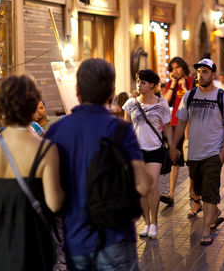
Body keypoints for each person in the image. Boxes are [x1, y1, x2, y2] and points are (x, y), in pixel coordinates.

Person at [46, 59, 152, 271]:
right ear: (112, 91)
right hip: (116, 236)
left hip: (76, 239)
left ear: (77, 90)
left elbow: (54, 202)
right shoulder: (120, 130)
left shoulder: (56, 132)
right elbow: (143, 185)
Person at [0, 75, 64, 270]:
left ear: (1, 108)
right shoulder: (46, 149)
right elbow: (54, 203)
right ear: (32, 107)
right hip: (34, 240)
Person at [170, 59, 224, 246]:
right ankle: (214, 212)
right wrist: (174, 146)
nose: (201, 75)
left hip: (213, 153)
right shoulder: (189, 96)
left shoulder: (222, 97)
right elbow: (181, 122)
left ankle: (206, 228)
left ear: (213, 74)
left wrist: (223, 151)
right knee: (197, 190)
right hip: (193, 153)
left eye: (206, 71)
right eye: (199, 71)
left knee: (210, 192)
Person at [123, 70, 172, 239]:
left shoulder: (162, 104)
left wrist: (172, 146)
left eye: (143, 82)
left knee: (152, 185)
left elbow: (169, 127)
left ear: (151, 85)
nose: (139, 85)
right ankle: (146, 223)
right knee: (142, 189)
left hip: (155, 149)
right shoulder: (130, 103)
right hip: (137, 151)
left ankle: (155, 223)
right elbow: (126, 128)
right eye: (138, 81)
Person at [160, 57, 196, 210]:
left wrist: (185, 87)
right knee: (174, 158)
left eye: (178, 68)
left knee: (190, 158)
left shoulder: (191, 81)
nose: (175, 71)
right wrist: (173, 85)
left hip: (190, 124)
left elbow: (193, 100)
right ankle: (171, 194)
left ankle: (193, 191)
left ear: (184, 68)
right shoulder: (171, 84)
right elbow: (165, 102)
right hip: (175, 124)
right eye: (173, 68)